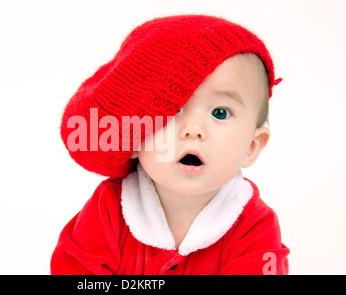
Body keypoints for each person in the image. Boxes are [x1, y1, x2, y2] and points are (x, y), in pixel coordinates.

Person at [51, 15, 289, 275]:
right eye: (172, 110)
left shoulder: (255, 227)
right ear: (134, 136)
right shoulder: (109, 209)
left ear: (253, 146)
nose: (193, 130)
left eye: (220, 112)